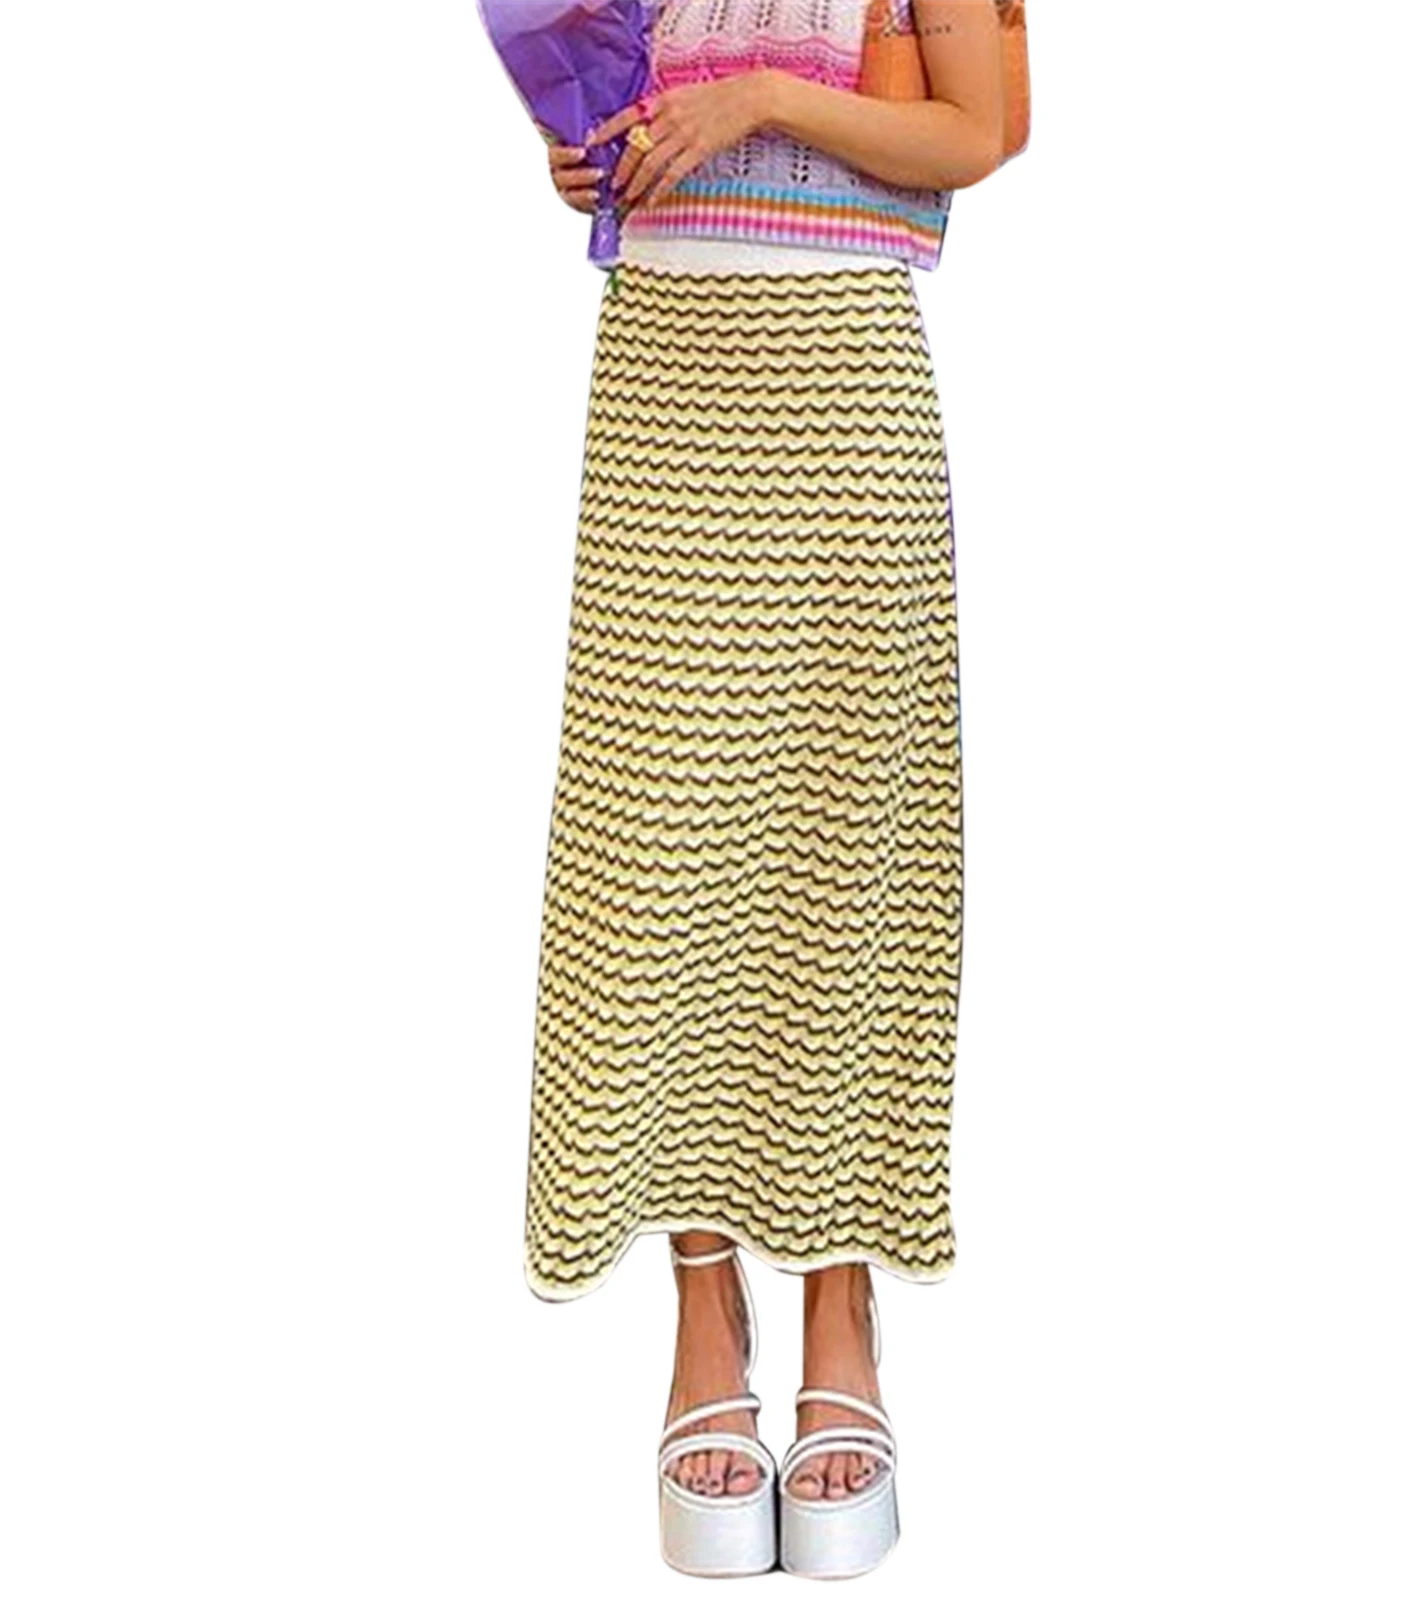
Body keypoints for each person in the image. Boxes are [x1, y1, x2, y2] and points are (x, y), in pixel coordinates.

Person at [523, 0, 1008, 1577]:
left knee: (841, 852)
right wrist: (595, 155)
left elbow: (979, 131)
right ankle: (703, 1309)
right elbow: (610, 106)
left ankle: (841, 1307)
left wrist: (752, 104)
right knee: (660, 869)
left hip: (841, 389)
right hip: (663, 383)